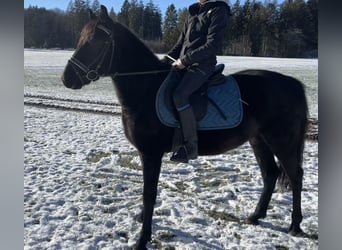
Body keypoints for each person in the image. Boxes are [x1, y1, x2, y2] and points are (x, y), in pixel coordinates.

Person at [161, 0, 231, 163]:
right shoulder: (193, 11)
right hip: (184, 64)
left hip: (203, 65)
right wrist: (164, 61)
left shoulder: (218, 10)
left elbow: (212, 45)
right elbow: (180, 44)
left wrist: (184, 61)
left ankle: (190, 147)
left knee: (180, 95)